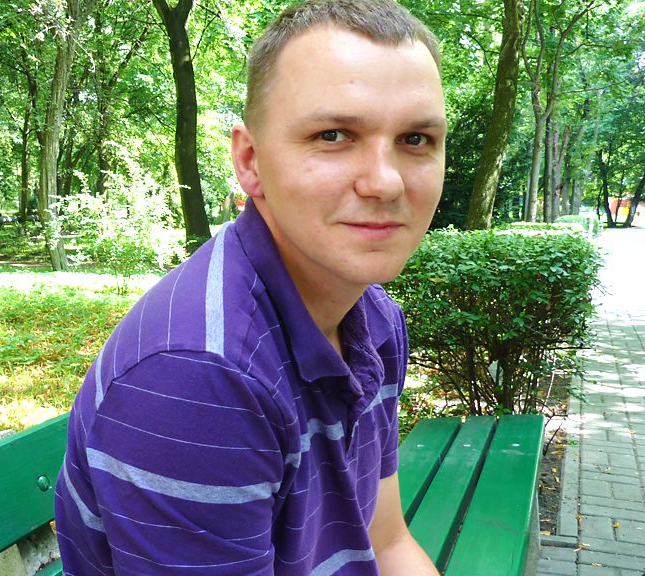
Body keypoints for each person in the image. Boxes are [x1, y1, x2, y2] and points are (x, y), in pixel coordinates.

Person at [54, 0, 446, 573]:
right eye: (334, 134)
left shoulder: (375, 320)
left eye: (416, 139)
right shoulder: (198, 377)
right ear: (250, 161)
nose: (385, 182)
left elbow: (386, 542)